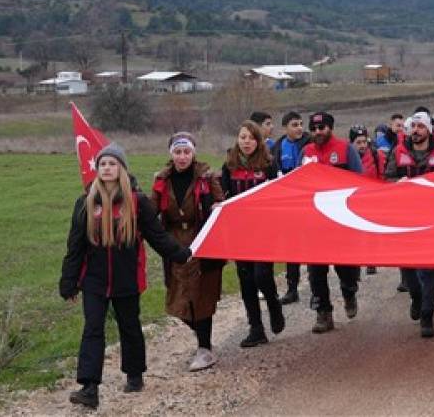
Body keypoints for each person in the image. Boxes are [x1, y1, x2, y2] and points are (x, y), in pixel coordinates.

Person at [60, 143, 191, 410]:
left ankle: (134, 374)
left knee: (129, 326)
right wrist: (69, 282)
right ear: (97, 168)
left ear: (121, 168)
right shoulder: (84, 203)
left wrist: (181, 254)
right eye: (103, 164)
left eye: (112, 164)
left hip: (127, 279)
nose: (107, 168)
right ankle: (89, 387)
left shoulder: (137, 202)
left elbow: (157, 236)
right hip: (94, 281)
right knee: (93, 329)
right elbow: (75, 246)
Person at [149, 132, 224, 371]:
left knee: (202, 295)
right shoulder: (162, 181)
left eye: (186, 152)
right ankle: (203, 340)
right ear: (171, 154)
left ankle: (204, 348)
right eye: (178, 152)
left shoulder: (206, 177)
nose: (182, 157)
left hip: (201, 240)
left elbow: (221, 205)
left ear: (193, 153)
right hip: (173, 243)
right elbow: (150, 211)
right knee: (178, 297)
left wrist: (215, 206)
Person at [383, 111, 434, 337]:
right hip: (406, 218)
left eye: (421, 127)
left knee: (429, 270)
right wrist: (397, 183)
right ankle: (416, 298)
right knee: (408, 268)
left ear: (429, 130)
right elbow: (387, 178)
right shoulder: (399, 151)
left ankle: (428, 314)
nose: (416, 131)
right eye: (413, 127)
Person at [221, 121, 285, 347]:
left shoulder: (268, 163)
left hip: (264, 230)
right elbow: (224, 195)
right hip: (240, 232)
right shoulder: (229, 165)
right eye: (242, 137)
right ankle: (256, 328)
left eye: (250, 138)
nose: (246, 141)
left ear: (258, 141)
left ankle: (273, 304)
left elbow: (279, 194)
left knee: (262, 275)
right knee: (246, 279)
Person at [301, 111, 363, 332]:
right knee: (316, 270)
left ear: (330, 128)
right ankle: (323, 313)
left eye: (322, 128)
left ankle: (349, 291)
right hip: (315, 222)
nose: (318, 132)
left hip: (341, 220)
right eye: (314, 128)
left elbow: (360, 182)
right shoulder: (306, 152)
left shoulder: (346, 150)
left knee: (344, 267)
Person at [274, 111, 311, 305]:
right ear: (285, 128)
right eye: (294, 125)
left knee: (314, 245)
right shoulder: (279, 147)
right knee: (292, 246)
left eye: (300, 124)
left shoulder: (310, 143)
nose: (299, 128)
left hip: (310, 202)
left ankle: (317, 286)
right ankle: (292, 288)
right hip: (289, 203)